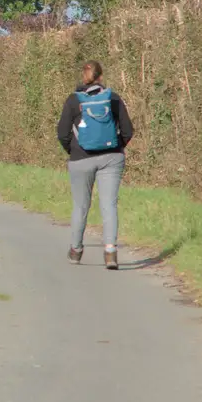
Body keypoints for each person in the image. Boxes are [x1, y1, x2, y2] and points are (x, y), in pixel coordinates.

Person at [56, 60, 133, 269]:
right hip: (112, 158)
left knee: (80, 206)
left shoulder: (73, 101)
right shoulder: (113, 99)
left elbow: (62, 133)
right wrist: (116, 147)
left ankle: (76, 250)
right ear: (101, 77)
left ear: (84, 76)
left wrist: (74, 151)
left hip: (81, 159)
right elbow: (128, 130)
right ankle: (110, 254)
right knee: (108, 205)